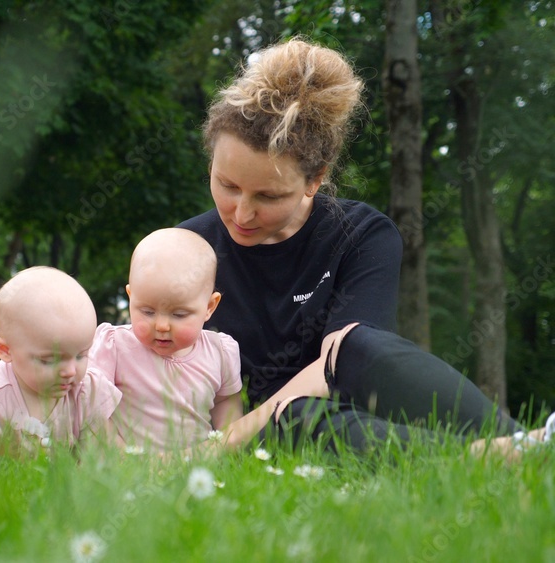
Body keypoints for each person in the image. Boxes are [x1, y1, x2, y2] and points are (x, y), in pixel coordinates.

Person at [177, 36, 552, 453]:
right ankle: (504, 455)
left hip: (341, 416)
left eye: (268, 196)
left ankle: (523, 450)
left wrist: (223, 443)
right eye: (227, 185)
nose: (241, 214)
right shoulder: (186, 248)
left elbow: (342, 362)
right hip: (268, 432)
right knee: (295, 418)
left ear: (314, 180)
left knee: (354, 344)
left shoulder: (363, 234)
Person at [88, 228, 243, 452]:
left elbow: (226, 404)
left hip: (193, 464)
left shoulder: (220, 351)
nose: (161, 325)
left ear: (209, 306)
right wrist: (122, 457)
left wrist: (224, 449)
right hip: (126, 465)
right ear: (131, 298)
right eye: (147, 311)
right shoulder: (114, 346)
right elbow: (92, 410)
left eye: (179, 314)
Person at [0, 266, 121, 456]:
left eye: (81, 355)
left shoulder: (86, 391)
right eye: (50, 360)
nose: (71, 371)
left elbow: (105, 461)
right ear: (5, 350)